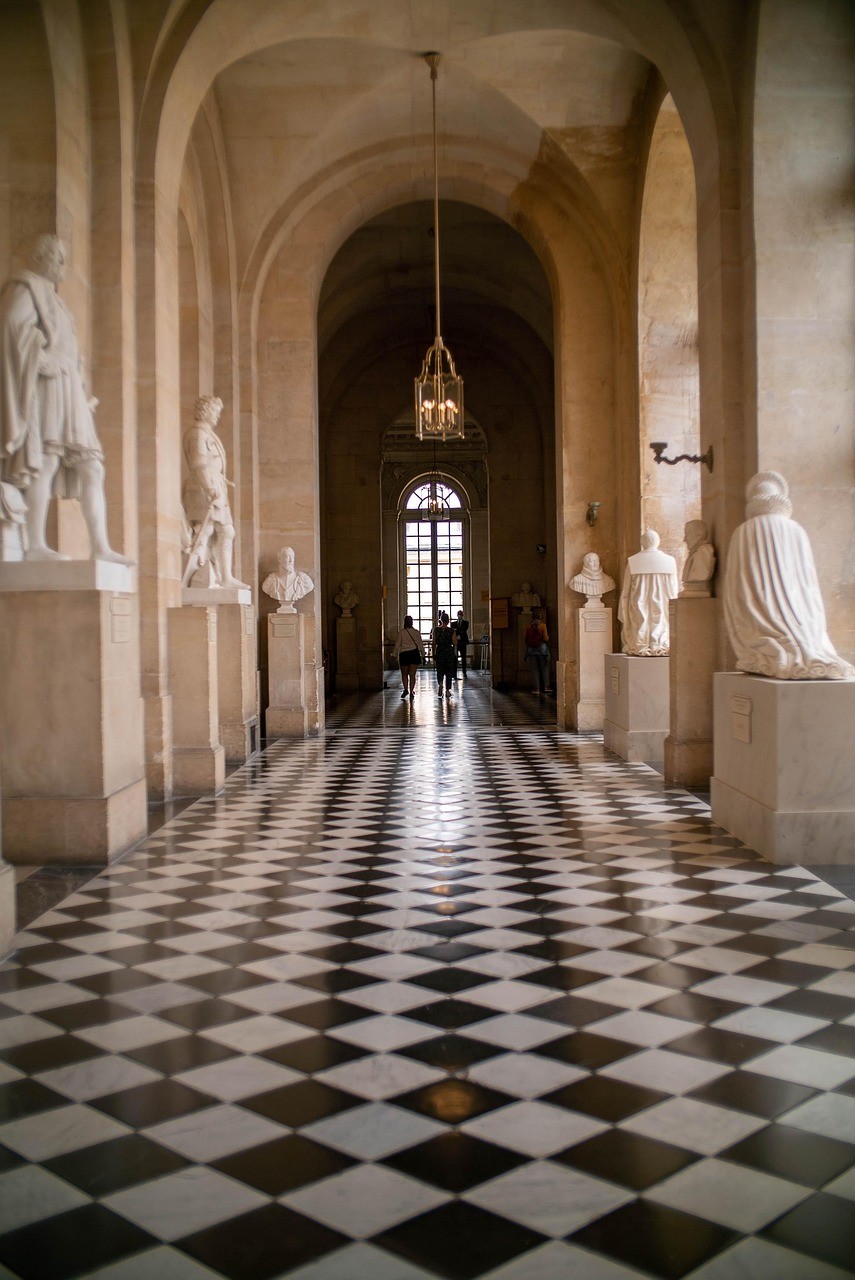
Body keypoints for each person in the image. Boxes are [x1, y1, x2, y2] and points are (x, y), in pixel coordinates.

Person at [0, 234, 130, 563]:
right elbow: (11, 332)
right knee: (46, 462)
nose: (62, 265)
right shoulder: (25, 287)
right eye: (57, 257)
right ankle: (36, 546)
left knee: (93, 466)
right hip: (47, 385)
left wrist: (80, 391)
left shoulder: (58, 302)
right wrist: (44, 362)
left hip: (70, 389)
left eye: (64, 258)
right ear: (40, 257)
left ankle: (100, 546)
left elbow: (69, 350)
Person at [724, 470, 853, 679]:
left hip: (757, 612)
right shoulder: (796, 530)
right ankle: (804, 641)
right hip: (801, 615)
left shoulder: (743, 531)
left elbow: (737, 584)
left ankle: (783, 645)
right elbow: (807, 581)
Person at [181, 395, 249, 589]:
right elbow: (198, 463)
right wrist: (208, 487)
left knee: (226, 530)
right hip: (203, 487)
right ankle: (194, 574)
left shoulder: (206, 433)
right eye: (216, 411)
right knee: (206, 529)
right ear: (206, 410)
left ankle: (224, 576)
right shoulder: (197, 434)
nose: (218, 416)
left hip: (215, 486)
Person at [618, 530, 679, 655]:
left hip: (639, 600)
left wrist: (623, 605)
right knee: (660, 620)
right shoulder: (669, 560)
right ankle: (660, 644)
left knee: (641, 621)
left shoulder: (634, 560)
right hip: (663, 601)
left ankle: (641, 644)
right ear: (658, 542)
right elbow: (674, 589)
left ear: (642, 543)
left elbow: (627, 588)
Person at [262, 544, 314, 612]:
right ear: (280, 559)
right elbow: (265, 588)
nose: (291, 560)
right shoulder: (271, 580)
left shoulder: (304, 579)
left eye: (293, 557)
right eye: (287, 557)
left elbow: (310, 587)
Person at [681, 520, 716, 596]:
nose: (684, 539)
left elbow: (701, 575)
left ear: (699, 535)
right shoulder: (694, 554)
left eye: (687, 534)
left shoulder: (704, 552)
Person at [395, 614, 425, 698]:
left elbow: (397, 644)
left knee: (404, 674)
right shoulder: (416, 632)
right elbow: (420, 644)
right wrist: (423, 654)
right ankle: (411, 691)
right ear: (412, 622)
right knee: (412, 675)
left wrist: (394, 654)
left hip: (404, 654)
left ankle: (406, 689)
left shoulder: (401, 632)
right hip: (414, 654)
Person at [524, 607, 550, 692]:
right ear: (541, 616)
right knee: (544, 668)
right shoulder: (543, 626)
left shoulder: (528, 626)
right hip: (542, 650)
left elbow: (526, 639)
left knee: (534, 669)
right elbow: (546, 638)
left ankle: (536, 688)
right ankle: (546, 687)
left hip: (531, 650)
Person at [433, 610, 457, 697]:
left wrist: (434, 653)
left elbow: (434, 642)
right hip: (448, 652)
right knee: (448, 671)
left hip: (439, 651)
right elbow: (455, 642)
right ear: (448, 621)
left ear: (441, 620)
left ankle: (440, 684)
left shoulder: (436, 630)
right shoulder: (451, 631)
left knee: (440, 670)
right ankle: (447, 690)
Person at [454, 609, 470, 677]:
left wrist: (458, 632)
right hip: (456, 642)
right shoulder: (453, 623)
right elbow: (454, 631)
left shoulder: (466, 622)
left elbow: (464, 629)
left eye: (461, 614)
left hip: (463, 642)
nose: (459, 616)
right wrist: (459, 633)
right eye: (459, 614)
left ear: (462, 615)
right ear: (457, 615)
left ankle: (464, 671)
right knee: (454, 658)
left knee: (463, 657)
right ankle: (454, 672)